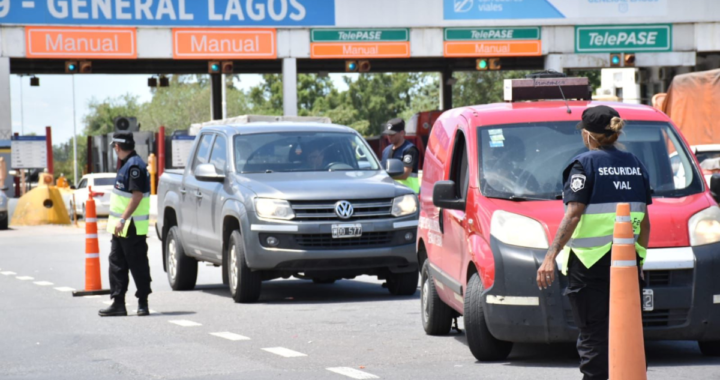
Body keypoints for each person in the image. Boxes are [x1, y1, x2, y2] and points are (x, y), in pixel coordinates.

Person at [536, 106, 652, 380]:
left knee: (593, 336)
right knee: (629, 332)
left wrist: (550, 256)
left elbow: (574, 214)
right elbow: (645, 222)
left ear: (588, 135)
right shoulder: (636, 164)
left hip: (589, 265)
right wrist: (639, 262)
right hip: (627, 264)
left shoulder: (584, 164)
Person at [99, 132, 152, 317]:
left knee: (137, 265)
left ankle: (142, 303)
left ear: (118, 147)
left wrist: (122, 219)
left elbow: (136, 196)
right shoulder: (126, 164)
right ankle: (118, 303)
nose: (114, 149)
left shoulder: (134, 165)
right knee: (117, 264)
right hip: (120, 227)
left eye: (115, 146)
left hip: (131, 226)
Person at [380, 118, 420, 193]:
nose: (389, 136)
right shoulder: (386, 151)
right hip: (391, 193)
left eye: (392, 134)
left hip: (408, 193)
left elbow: (405, 174)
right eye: (388, 134)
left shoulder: (410, 150)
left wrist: (385, 177)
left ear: (402, 133)